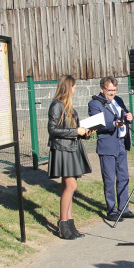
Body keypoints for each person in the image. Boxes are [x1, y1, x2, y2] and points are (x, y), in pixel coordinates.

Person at [88, 76, 134, 222]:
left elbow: (125, 114)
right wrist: (113, 124)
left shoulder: (118, 101)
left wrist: (130, 116)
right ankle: (111, 210)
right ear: (102, 89)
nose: (112, 93)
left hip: (121, 144)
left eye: (114, 90)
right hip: (107, 146)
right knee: (110, 179)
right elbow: (96, 124)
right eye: (109, 90)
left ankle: (124, 209)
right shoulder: (95, 104)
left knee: (124, 177)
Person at [48, 75, 93, 240]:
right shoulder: (56, 106)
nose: (75, 89)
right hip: (62, 150)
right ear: (68, 87)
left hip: (72, 148)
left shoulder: (71, 108)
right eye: (74, 86)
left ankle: (69, 224)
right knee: (71, 186)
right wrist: (75, 132)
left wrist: (86, 133)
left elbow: (75, 129)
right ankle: (63, 224)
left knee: (69, 187)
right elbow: (52, 130)